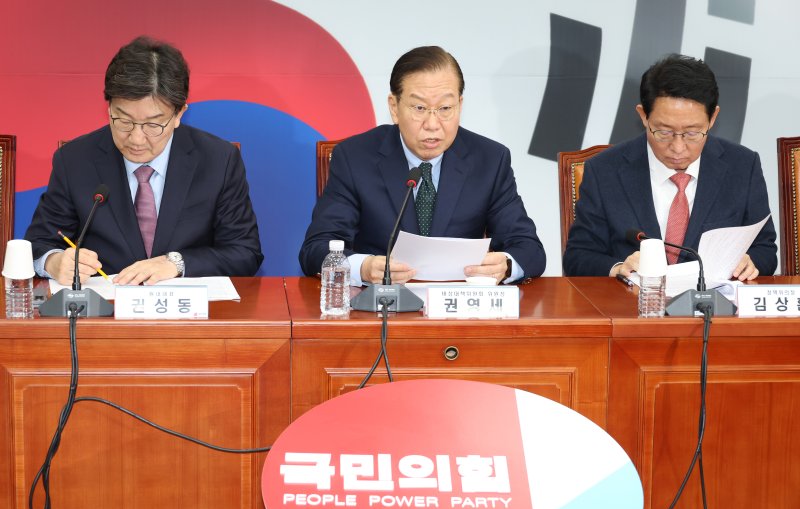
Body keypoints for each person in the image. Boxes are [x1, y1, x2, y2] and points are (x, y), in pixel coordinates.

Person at [25, 36, 263, 286]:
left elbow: (245, 253)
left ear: (179, 114)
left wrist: (177, 263)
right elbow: (39, 244)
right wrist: (54, 262)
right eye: (124, 121)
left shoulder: (218, 160)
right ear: (109, 108)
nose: (136, 139)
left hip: (186, 307)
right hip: (105, 307)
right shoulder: (75, 160)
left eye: (153, 125)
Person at [299, 46, 546, 285]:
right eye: (419, 108)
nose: (432, 124)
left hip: (459, 306)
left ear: (460, 105)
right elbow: (317, 249)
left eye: (445, 108)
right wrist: (363, 268)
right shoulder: (355, 157)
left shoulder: (490, 160)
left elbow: (529, 249)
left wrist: (506, 265)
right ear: (394, 107)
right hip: (381, 304)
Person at [563, 53, 777, 279]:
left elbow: (765, 249)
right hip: (633, 300)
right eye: (664, 132)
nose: (678, 147)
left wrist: (749, 261)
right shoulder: (604, 171)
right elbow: (578, 256)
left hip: (714, 300)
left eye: (692, 133)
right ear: (643, 116)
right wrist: (619, 268)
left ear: (713, 118)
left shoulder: (742, 166)